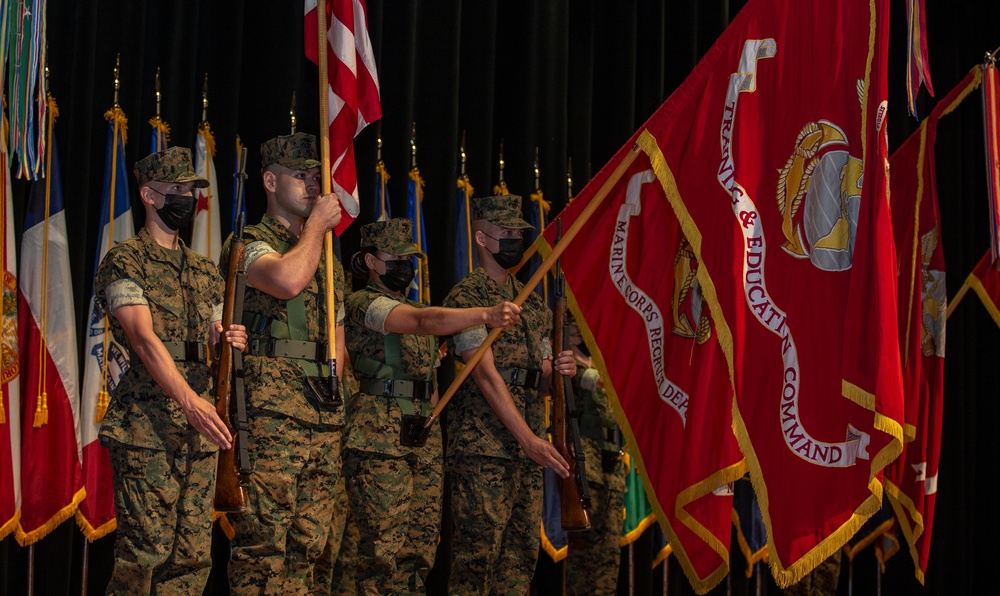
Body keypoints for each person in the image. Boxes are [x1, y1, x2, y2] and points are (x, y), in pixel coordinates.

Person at [95, 146, 248, 594]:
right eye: (177, 189)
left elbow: (217, 336)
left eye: (192, 189)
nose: (188, 197)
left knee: (191, 559)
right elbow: (143, 339)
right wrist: (189, 403)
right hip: (148, 429)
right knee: (144, 557)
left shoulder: (204, 270)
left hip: (198, 436)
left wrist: (227, 340)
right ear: (148, 195)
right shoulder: (126, 261)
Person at [342, 217, 523, 594]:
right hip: (379, 440)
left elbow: (429, 381)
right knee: (380, 553)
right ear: (372, 262)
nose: (405, 266)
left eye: (410, 258)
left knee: (419, 553)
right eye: (395, 257)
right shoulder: (363, 303)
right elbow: (424, 322)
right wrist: (486, 315)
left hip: (422, 438)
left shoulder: (415, 306)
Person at [220, 132, 348, 594]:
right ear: (271, 181)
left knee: (309, 548)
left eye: (317, 176)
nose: (313, 185)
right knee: (264, 545)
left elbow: (339, 337)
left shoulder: (327, 257)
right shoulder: (249, 243)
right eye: (301, 176)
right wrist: (315, 227)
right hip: (272, 414)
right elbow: (286, 281)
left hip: (323, 411)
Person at [442, 194, 570, 594]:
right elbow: (485, 374)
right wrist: (528, 439)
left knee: (519, 560)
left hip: (527, 447)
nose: (516, 239)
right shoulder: (467, 299)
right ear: (481, 238)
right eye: (506, 232)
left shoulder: (532, 302)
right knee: (477, 560)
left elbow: (540, 377)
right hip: (485, 446)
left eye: (520, 232)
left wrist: (556, 372)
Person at [553, 313, 626, 595]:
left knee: (609, 550)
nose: (577, 333)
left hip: (612, 462)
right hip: (586, 463)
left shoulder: (600, 362)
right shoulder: (568, 366)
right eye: (572, 328)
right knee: (584, 550)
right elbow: (596, 381)